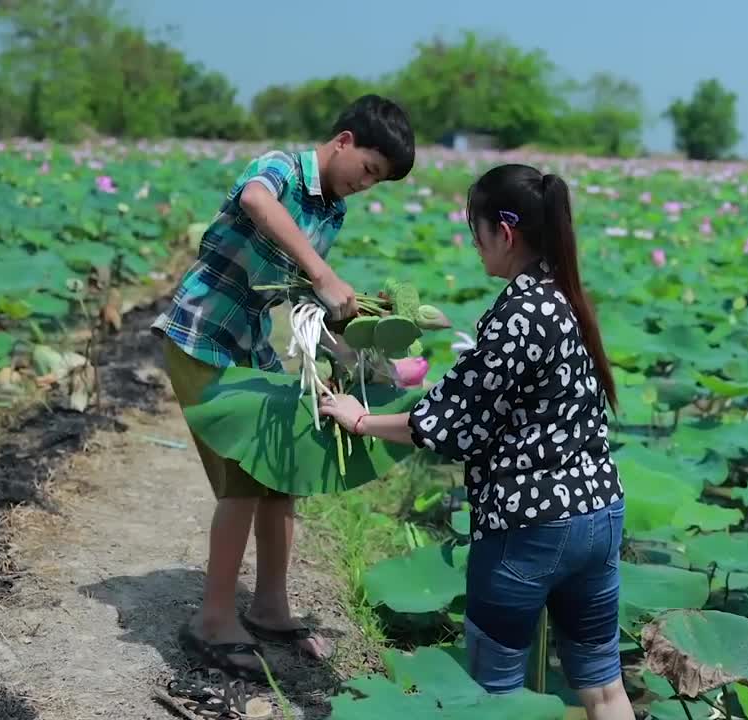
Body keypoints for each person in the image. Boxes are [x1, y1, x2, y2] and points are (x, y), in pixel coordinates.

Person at [319, 164, 632, 719]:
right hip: (599, 514)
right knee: (604, 688)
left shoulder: (518, 312)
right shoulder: (566, 299)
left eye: (476, 231)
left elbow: (449, 422)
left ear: (505, 234)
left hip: (529, 523)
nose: (473, 244)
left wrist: (361, 419)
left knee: (497, 693)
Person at [151, 94, 415, 681]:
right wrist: (325, 275)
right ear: (344, 141)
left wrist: (358, 340)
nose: (366, 186)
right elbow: (255, 202)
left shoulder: (333, 213)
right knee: (245, 475)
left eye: (379, 182)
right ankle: (213, 620)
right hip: (201, 334)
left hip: (250, 343)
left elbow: (298, 294)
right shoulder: (278, 168)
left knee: (280, 469)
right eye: (368, 169)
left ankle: (270, 607)